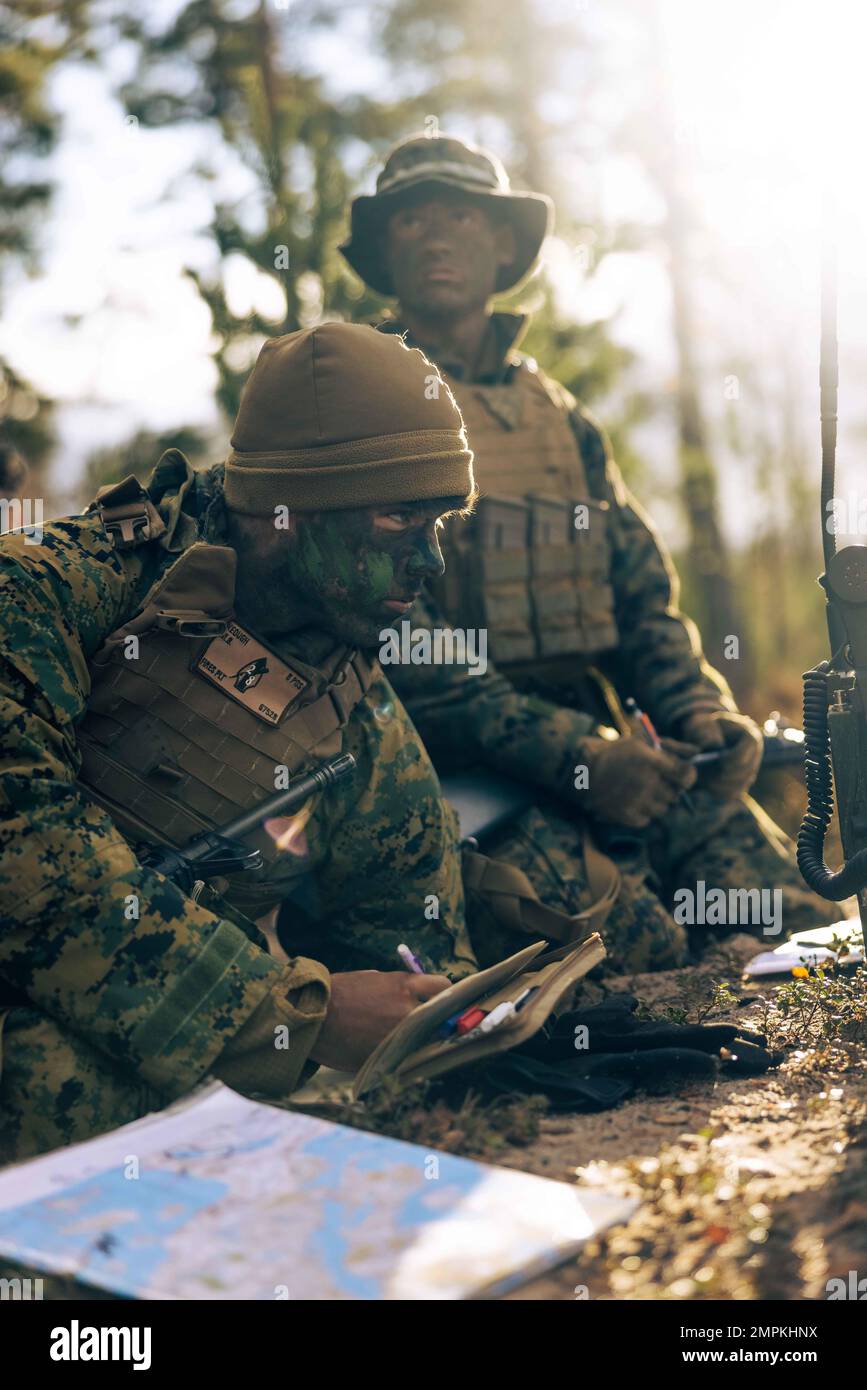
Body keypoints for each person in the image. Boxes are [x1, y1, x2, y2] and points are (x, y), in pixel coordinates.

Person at [340, 133, 832, 972]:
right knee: (643, 956)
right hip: (458, 771)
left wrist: (696, 716)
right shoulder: (362, 412)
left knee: (799, 923)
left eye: (459, 214)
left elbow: (641, 598)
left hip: (611, 752)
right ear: (385, 248)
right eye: (411, 219)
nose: (434, 235)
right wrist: (575, 754)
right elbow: (403, 649)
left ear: (503, 245)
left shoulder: (560, 419)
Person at [0, 322, 480, 1163]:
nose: (430, 563)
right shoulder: (43, 595)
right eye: (403, 516)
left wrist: (455, 1022)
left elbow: (410, 925)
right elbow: (32, 869)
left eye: (440, 521)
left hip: (170, 1011)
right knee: (63, 1089)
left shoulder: (344, 685)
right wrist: (299, 1016)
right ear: (286, 512)